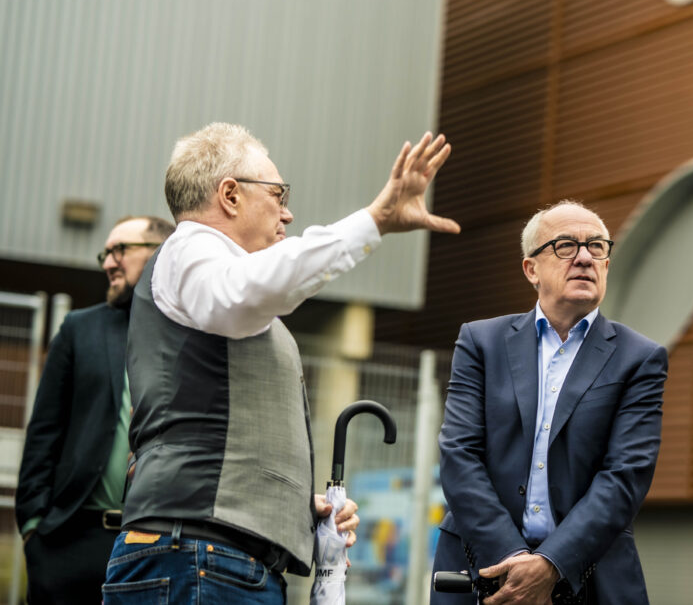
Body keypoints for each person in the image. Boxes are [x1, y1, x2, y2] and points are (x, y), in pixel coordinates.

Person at [103, 122, 459, 604]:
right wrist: (374, 219)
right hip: (197, 557)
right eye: (277, 193)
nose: (287, 212)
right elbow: (242, 290)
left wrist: (292, 508)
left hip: (211, 558)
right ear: (230, 194)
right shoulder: (190, 248)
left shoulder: (212, 274)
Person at [433, 200, 668, 605]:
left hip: (589, 575)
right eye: (565, 246)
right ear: (531, 269)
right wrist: (512, 558)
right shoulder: (481, 342)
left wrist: (550, 563)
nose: (583, 258)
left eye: (596, 247)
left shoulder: (640, 358)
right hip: (482, 569)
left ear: (607, 265)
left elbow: (625, 476)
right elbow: (459, 455)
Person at [16, 215, 175, 604]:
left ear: (161, 254)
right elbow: (43, 433)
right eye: (106, 252)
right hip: (72, 540)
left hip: (159, 544)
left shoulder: (194, 332)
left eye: (120, 249)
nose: (107, 263)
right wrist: (34, 528)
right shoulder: (79, 329)